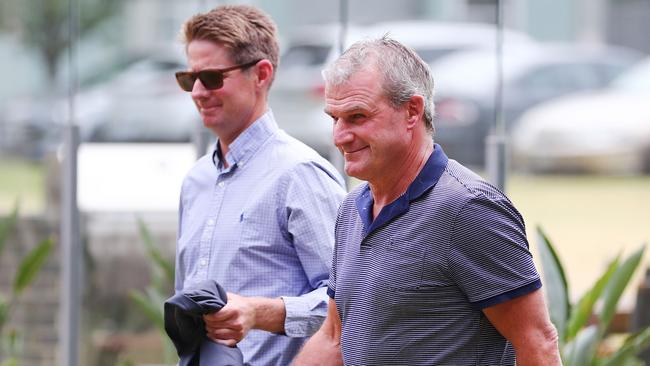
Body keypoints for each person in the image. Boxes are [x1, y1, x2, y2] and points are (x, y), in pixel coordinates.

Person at [295, 36, 561, 365]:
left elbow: (537, 341)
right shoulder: (352, 208)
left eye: (358, 117)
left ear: (412, 111)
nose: (339, 136)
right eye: (334, 118)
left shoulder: (468, 209)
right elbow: (333, 337)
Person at [173, 5, 346, 365]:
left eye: (212, 77)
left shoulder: (301, 174)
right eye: (190, 79)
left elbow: (349, 300)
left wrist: (259, 313)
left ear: (261, 74)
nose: (198, 92)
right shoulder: (196, 181)